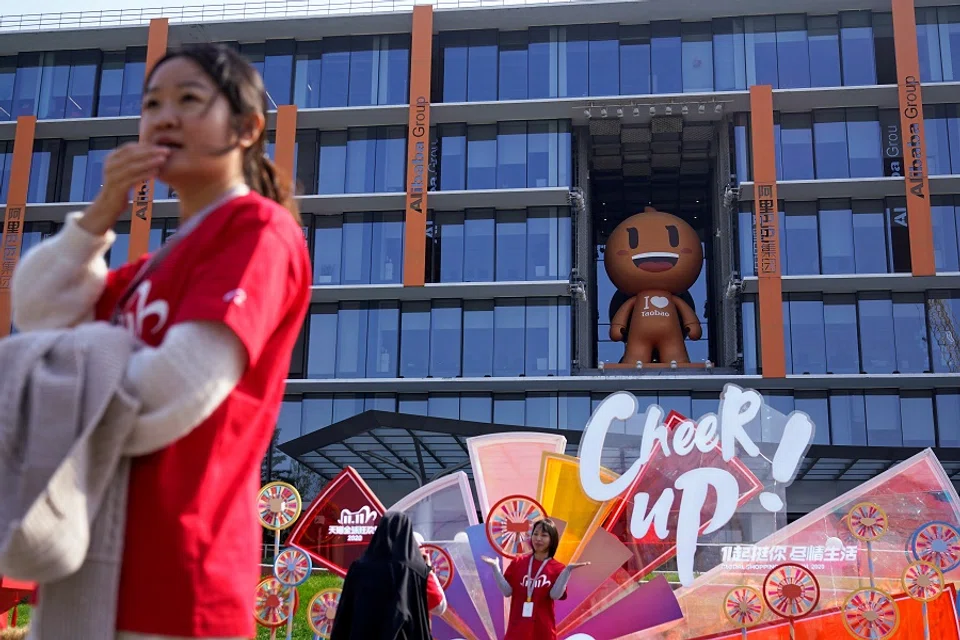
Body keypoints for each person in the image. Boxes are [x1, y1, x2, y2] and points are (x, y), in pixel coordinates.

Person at [10, 43, 311, 640]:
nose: (164, 117)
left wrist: (55, 402)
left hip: (182, 578)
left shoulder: (258, 229)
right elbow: (36, 310)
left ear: (248, 128)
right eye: (151, 104)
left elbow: (176, 387)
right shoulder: (144, 271)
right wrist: (99, 214)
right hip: (92, 569)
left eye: (189, 100)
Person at [331, 512, 446, 640]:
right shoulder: (415, 570)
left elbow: (345, 611)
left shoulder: (359, 567)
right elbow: (439, 607)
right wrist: (428, 569)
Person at [482, 519, 589, 640]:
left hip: (543, 632)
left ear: (552, 540)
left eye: (544, 535)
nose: (538, 538)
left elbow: (555, 595)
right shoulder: (518, 562)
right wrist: (495, 568)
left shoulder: (557, 568)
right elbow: (507, 592)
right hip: (517, 631)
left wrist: (568, 571)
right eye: (535, 534)